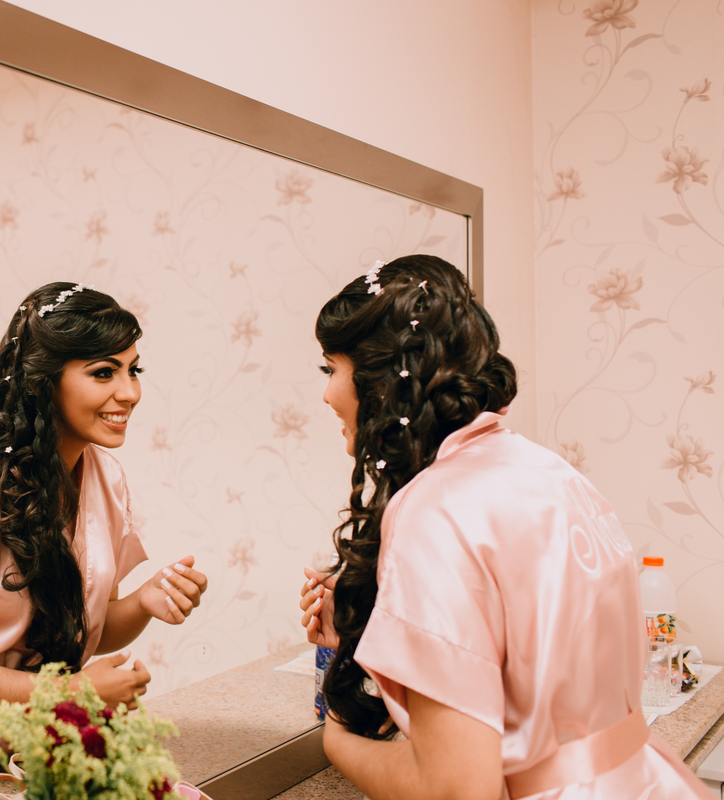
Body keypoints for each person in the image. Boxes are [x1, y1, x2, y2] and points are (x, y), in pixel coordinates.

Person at [298, 256, 710, 799]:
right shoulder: (549, 471)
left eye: (331, 369)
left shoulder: (434, 511)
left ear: (378, 379)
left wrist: (337, 736)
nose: (326, 395)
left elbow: (457, 790)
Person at [0, 282, 208, 795]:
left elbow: (88, 626)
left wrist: (144, 601)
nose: (130, 392)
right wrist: (66, 692)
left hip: (30, 761)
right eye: (103, 372)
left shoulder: (107, 477)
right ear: (45, 383)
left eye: (133, 369)